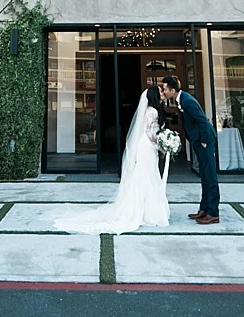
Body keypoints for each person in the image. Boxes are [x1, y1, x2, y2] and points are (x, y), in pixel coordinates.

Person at [52, 86, 169, 235]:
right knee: (146, 175)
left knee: (147, 175)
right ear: (154, 95)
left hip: (147, 146)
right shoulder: (152, 111)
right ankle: (146, 211)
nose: (162, 92)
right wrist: (159, 145)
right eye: (160, 91)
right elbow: (148, 131)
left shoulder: (152, 110)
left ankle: (146, 209)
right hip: (147, 146)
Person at [160, 75, 220, 225]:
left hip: (204, 140)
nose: (164, 91)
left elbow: (202, 120)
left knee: (210, 175)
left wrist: (204, 140)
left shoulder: (187, 100)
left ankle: (213, 213)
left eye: (165, 89)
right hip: (198, 140)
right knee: (204, 175)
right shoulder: (181, 99)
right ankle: (204, 208)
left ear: (172, 90)